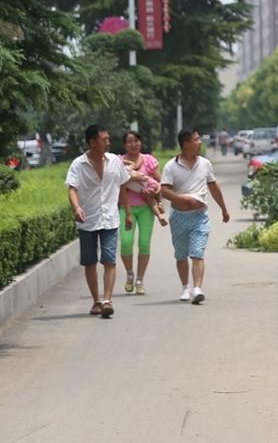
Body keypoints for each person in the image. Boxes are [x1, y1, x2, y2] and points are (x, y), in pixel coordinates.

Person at [65, 124, 143, 318]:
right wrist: (77, 207)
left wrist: (129, 212)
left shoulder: (115, 161)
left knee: (109, 260)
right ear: (92, 142)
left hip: (110, 219)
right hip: (88, 219)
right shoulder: (78, 164)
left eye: (108, 139)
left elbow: (124, 185)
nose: (108, 142)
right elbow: (72, 188)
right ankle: (96, 301)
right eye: (104, 139)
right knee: (89, 262)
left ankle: (107, 300)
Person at [160, 128, 230, 305]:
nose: (200, 142)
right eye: (196, 139)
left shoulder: (205, 164)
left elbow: (213, 187)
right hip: (179, 216)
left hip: (200, 216)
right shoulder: (171, 166)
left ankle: (198, 288)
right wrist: (182, 199)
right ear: (186, 144)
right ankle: (185, 287)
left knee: (197, 253)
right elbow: (164, 190)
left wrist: (223, 208)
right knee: (181, 255)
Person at [118, 130, 168, 296]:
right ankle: (130, 273)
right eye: (130, 142)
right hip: (126, 208)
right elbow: (118, 183)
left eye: (136, 141)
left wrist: (157, 198)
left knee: (144, 243)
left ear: (140, 142)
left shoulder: (149, 161)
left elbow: (160, 182)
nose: (133, 144)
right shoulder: (119, 162)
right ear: (125, 145)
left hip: (146, 208)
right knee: (126, 242)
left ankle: (140, 279)